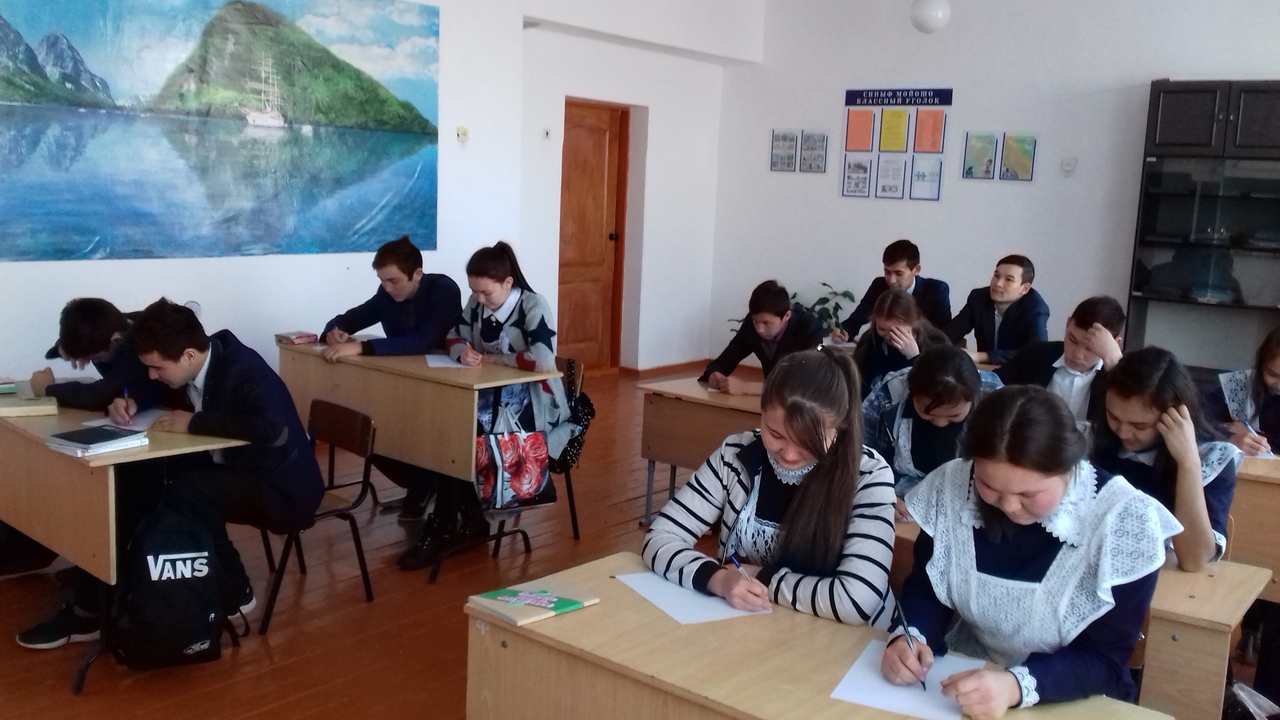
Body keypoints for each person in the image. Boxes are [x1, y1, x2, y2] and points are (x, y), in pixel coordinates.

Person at [16, 300, 325, 649]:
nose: (151, 373)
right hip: (239, 464)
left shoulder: (245, 371)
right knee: (140, 478)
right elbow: (157, 387)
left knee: (185, 489)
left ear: (189, 356)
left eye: (156, 367)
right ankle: (110, 577)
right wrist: (130, 401)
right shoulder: (198, 359)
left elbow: (273, 429)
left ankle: (236, 589)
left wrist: (195, 422)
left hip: (284, 489)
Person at [882, 386, 1180, 717]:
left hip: (1072, 693)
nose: (1009, 506)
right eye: (989, 486)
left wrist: (1014, 686)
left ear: (1070, 468)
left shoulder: (1124, 521)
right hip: (971, 671)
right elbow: (927, 589)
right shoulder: (953, 486)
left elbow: (1106, 659)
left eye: (1028, 494)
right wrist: (912, 636)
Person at [644, 348, 897, 627]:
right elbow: (661, 536)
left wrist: (760, 576)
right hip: (758, 626)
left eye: (809, 442)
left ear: (839, 428)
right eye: (775, 434)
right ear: (761, 411)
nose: (789, 453)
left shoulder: (869, 476)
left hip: (845, 639)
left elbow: (857, 600)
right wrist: (718, 579)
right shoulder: (736, 454)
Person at [397, 241, 570, 571]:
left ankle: (447, 522)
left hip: (533, 406)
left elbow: (544, 361)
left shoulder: (533, 305)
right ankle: (462, 516)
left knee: (461, 434)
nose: (478, 299)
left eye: (486, 292)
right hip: (488, 396)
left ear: (508, 283)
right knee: (446, 427)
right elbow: (452, 335)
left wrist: (494, 358)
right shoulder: (477, 305)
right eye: (474, 291)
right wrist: (461, 351)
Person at [319, 235, 464, 522]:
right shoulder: (386, 294)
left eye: (393, 281)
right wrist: (334, 330)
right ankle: (422, 485)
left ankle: (430, 486)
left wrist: (360, 347)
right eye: (382, 281)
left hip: (446, 386)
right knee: (374, 436)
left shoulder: (443, 289)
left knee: (421, 438)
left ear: (417, 274)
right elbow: (351, 317)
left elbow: (422, 341)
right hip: (403, 383)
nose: (387, 288)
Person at [1092, 347, 1239, 572]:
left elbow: (1194, 560)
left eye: (1140, 425)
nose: (1123, 432)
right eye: (1113, 417)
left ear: (1175, 417)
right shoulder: (1094, 441)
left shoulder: (1212, 457)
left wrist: (1188, 463)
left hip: (1162, 580)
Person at [863, 345, 1001, 513]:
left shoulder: (996, 401)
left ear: (973, 399)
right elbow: (860, 453)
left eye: (954, 415)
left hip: (974, 499)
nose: (940, 423)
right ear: (912, 394)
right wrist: (882, 492)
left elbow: (1010, 466)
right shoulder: (889, 395)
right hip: (900, 496)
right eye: (928, 413)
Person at [995, 296, 1125, 423]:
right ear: (1068, 324)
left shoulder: (1115, 376)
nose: (1078, 354)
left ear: (1115, 344)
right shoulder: (1036, 354)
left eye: (1091, 348)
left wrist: (1114, 361)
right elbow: (993, 383)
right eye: (1072, 340)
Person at [29, 298, 167, 411]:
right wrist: (63, 348)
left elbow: (99, 396)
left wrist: (47, 390)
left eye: (94, 358)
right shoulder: (113, 323)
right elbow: (79, 329)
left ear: (116, 340)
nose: (92, 361)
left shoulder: (138, 348)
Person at [700, 280, 824, 396]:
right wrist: (715, 373)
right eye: (755, 321)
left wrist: (745, 388)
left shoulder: (809, 328)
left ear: (787, 316)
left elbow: (807, 383)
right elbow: (727, 358)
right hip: (771, 399)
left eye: (766, 323)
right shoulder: (751, 324)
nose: (759, 329)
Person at [836, 239, 951, 339]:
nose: (891, 280)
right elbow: (857, 318)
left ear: (916, 270)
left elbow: (943, 335)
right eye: (887, 272)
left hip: (923, 352)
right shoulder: (879, 285)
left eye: (899, 273)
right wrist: (844, 331)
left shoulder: (936, 290)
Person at [945, 255, 1049, 365]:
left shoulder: (1035, 307)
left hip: (1018, 372)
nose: (998, 283)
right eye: (996, 275)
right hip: (984, 370)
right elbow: (950, 334)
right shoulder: (979, 298)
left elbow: (1037, 352)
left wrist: (982, 356)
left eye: (1008, 279)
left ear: (1025, 288)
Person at [1206, 326, 1279, 456]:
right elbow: (1200, 416)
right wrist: (1229, 434)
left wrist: (1252, 436)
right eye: (1272, 374)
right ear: (1261, 364)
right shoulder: (1240, 385)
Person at [851, 289, 939, 397]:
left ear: (913, 323)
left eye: (896, 330)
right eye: (881, 329)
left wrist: (914, 357)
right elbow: (858, 383)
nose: (888, 336)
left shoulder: (936, 344)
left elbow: (935, 391)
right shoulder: (869, 341)